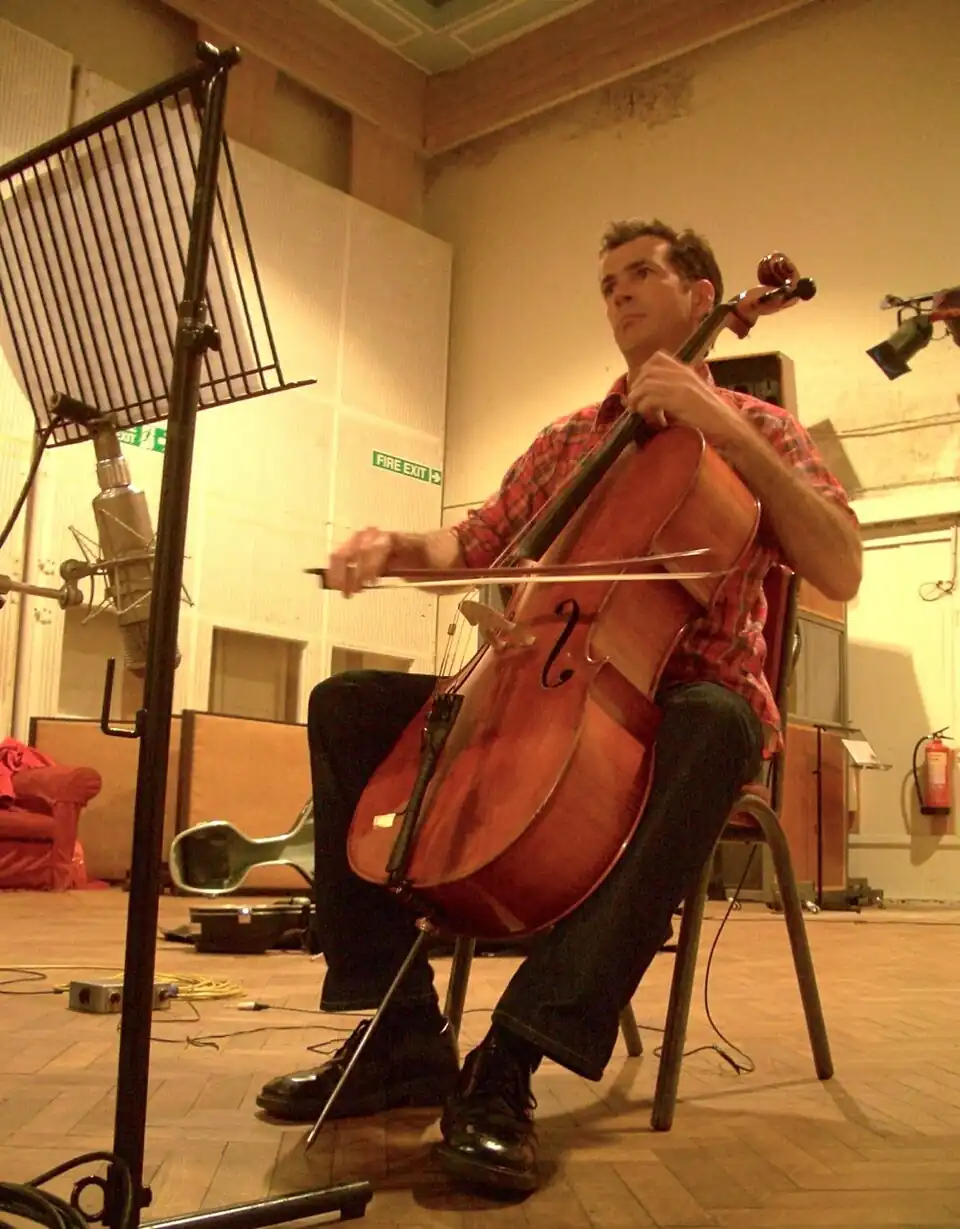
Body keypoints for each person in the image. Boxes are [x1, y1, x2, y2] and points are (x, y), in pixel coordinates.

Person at [256, 220, 862, 1194]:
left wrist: (726, 429)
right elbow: (477, 546)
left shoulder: (765, 430)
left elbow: (840, 563)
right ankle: (400, 1030)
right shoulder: (571, 437)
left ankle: (514, 1055)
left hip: (684, 706)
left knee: (718, 725)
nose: (618, 293)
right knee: (348, 703)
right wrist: (393, 547)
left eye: (641, 274)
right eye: (608, 281)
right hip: (556, 679)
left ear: (702, 298)